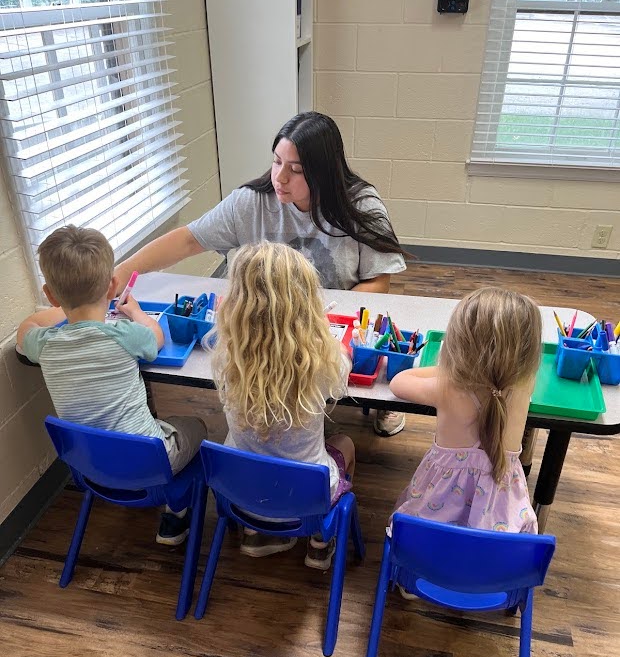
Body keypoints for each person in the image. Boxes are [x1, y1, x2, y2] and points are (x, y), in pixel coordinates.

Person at [114, 111, 408, 437]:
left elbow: (379, 281)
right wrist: (123, 271)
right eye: (276, 161)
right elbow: (187, 239)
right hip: (268, 326)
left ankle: (382, 399)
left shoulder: (361, 206)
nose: (279, 177)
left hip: (331, 322)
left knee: (368, 357)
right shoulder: (251, 203)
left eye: (295, 170)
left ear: (324, 173)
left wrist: (312, 319)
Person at [17, 226, 207, 546]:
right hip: (150, 461)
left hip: (89, 465)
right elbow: (156, 338)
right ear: (113, 285)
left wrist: (67, 306)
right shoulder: (123, 335)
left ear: (49, 294)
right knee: (197, 426)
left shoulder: (44, 344)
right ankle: (176, 512)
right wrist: (134, 312)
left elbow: (26, 329)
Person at [209, 241, 355, 571]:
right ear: (304, 304)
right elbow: (340, 386)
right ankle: (320, 542)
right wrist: (329, 341)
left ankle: (255, 533)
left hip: (241, 490)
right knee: (345, 444)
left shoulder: (227, 358)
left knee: (251, 453)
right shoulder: (320, 359)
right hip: (304, 497)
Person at [388, 287, 541, 596]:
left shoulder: (448, 387)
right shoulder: (524, 386)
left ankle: (417, 573)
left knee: (414, 518)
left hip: (437, 508)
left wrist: (449, 369)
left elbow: (398, 382)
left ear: (459, 344)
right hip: (497, 531)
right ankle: (473, 576)